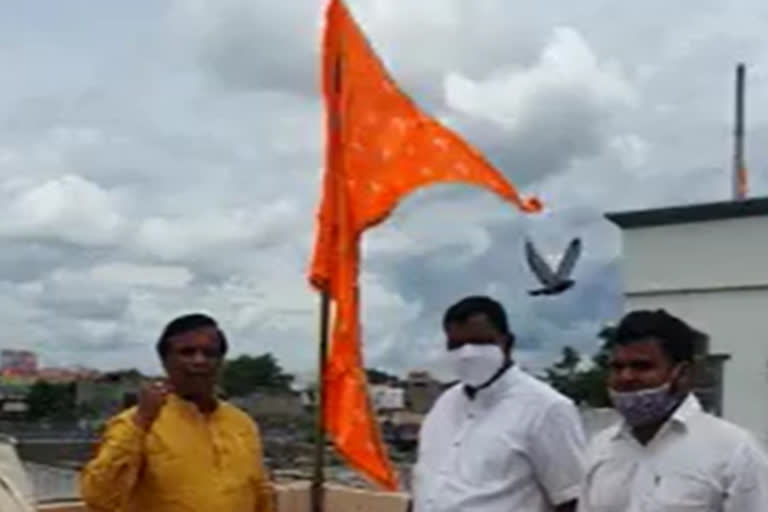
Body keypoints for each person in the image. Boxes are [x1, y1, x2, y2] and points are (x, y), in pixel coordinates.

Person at [80, 313, 274, 512]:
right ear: (165, 361)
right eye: (187, 352)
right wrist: (141, 423)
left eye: (210, 353)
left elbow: (260, 493)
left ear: (221, 362)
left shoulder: (241, 424)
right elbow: (98, 498)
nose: (200, 360)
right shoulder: (136, 423)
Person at [579, 309, 768, 511]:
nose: (626, 377)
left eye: (642, 366)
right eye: (617, 367)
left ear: (682, 373)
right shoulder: (600, 449)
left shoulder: (734, 452)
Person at [412, 296, 586, 512]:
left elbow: (571, 499)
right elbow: (426, 486)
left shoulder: (547, 409)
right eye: (456, 345)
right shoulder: (444, 405)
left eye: (479, 342)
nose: (467, 354)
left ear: (507, 343)